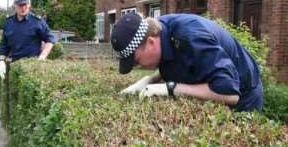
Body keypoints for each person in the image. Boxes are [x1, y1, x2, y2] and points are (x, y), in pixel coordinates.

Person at [110, 13, 263, 112]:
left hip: (245, 95)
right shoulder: (160, 29)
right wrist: (150, 79)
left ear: (150, 42)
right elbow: (178, 61)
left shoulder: (191, 38)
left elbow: (229, 93)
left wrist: (170, 88)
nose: (137, 66)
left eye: (136, 61)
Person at [0, 0, 55, 80]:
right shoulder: (8, 23)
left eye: (25, 4)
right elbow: (4, 44)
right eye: (20, 5)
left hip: (32, 67)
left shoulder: (37, 22)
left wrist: (42, 57)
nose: (23, 8)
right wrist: (1, 61)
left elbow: (50, 39)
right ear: (15, 5)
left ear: (29, 4)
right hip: (14, 66)